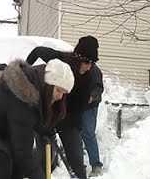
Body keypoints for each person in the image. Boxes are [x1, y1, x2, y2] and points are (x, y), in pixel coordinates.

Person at [0, 59, 75, 179]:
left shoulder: (35, 91)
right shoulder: (23, 99)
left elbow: (33, 121)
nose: (60, 97)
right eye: (59, 90)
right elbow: (23, 152)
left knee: (16, 166)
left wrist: (44, 130)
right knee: (3, 163)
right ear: (48, 84)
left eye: (64, 93)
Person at [26, 35, 100, 178]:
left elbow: (79, 109)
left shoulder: (88, 78)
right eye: (86, 62)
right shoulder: (60, 62)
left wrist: (59, 123)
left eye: (92, 63)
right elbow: (38, 51)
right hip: (46, 115)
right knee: (44, 156)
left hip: (69, 119)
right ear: (77, 58)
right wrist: (25, 70)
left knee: (76, 158)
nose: (88, 67)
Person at [81, 64, 104, 177]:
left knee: (88, 133)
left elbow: (98, 88)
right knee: (74, 133)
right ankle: (77, 165)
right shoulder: (77, 66)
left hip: (90, 107)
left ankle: (96, 165)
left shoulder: (95, 71)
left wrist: (92, 96)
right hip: (76, 106)